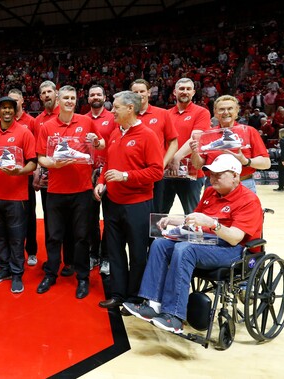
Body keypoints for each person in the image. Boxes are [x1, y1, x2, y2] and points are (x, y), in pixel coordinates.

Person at [123, 154, 263, 334]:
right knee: (160, 244)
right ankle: (153, 303)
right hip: (204, 242)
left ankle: (174, 316)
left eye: (219, 175)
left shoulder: (249, 200)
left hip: (234, 249)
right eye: (211, 174)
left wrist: (212, 223)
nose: (213, 178)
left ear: (235, 176)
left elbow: (235, 237)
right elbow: (193, 220)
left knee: (185, 249)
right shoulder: (210, 192)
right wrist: (175, 220)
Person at [94, 91, 164, 310]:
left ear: (130, 109)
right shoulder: (115, 133)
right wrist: (102, 181)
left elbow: (156, 172)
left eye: (116, 107)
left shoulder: (148, 135)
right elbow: (107, 162)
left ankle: (134, 299)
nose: (112, 111)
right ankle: (117, 295)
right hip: (113, 202)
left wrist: (126, 176)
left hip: (137, 204)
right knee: (114, 251)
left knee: (137, 253)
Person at [35, 85, 105, 299]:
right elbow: (41, 158)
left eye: (72, 98)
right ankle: (51, 273)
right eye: (65, 97)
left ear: (76, 99)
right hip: (56, 191)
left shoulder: (86, 122)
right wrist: (54, 165)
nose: (69, 101)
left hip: (82, 190)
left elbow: (101, 145)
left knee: (81, 237)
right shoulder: (47, 126)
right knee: (54, 236)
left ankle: (82, 277)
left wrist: (97, 141)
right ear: (58, 99)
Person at [0, 96, 37, 293]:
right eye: (3, 108)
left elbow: (32, 162)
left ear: (15, 111)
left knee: (16, 237)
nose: (7, 111)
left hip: (16, 195)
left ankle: (17, 273)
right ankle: (5, 268)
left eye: (10, 108)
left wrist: (20, 171)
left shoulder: (25, 133)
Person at [34, 81, 75, 276]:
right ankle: (53, 262)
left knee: (70, 225)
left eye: (50, 91)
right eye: (43, 93)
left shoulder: (70, 114)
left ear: (56, 95)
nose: (47, 95)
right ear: (41, 97)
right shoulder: (39, 121)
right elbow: (39, 153)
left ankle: (69, 261)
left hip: (72, 180)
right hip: (48, 180)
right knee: (52, 224)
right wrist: (38, 173)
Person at [190, 95, 270, 194]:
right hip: (214, 185)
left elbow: (266, 163)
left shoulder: (249, 131)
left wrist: (245, 161)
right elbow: (198, 165)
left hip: (244, 183)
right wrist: (194, 152)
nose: (226, 112)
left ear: (236, 111)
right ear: (215, 113)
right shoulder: (206, 134)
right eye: (221, 109)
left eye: (230, 109)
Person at [162, 78, 211, 214]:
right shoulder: (165, 114)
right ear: (174, 92)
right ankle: (156, 236)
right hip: (167, 173)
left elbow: (196, 138)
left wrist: (175, 158)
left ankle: (193, 235)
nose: (185, 92)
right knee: (158, 214)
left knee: (192, 215)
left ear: (193, 92)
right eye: (181, 89)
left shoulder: (202, 112)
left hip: (191, 173)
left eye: (188, 89)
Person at [131, 79, 178, 213]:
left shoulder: (162, 113)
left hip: (156, 173)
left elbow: (173, 143)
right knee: (136, 212)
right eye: (135, 92)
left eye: (142, 91)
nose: (139, 94)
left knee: (156, 211)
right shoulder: (126, 115)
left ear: (149, 92)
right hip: (134, 172)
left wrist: (162, 164)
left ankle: (155, 235)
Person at [85, 85, 116, 274]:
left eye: (99, 94)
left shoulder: (114, 118)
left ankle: (106, 257)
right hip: (87, 175)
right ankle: (93, 254)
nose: (95, 97)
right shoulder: (82, 119)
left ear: (105, 97)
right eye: (92, 94)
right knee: (90, 219)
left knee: (110, 219)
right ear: (88, 98)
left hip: (110, 173)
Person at [8, 88, 39, 266]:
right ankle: (14, 250)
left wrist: (35, 172)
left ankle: (32, 251)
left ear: (22, 101)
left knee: (29, 214)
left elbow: (35, 151)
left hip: (26, 174)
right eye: (9, 100)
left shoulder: (31, 122)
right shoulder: (3, 122)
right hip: (8, 177)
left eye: (15, 100)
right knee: (12, 216)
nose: (12, 103)